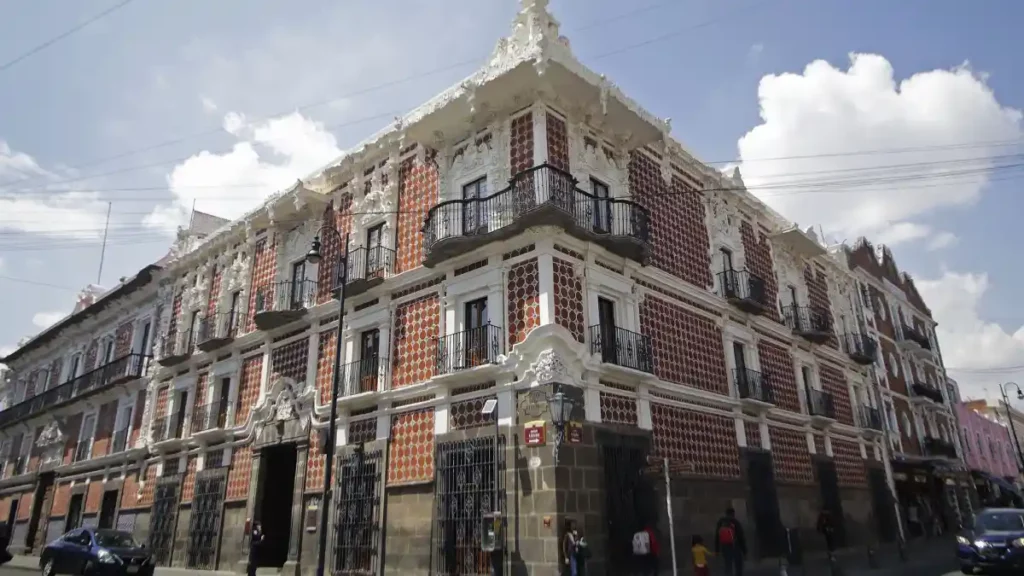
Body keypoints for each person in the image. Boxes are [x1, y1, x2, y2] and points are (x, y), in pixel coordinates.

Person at [715, 507, 747, 576]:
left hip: (725, 546)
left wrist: (717, 550)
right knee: (738, 563)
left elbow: (717, 536)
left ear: (726, 513)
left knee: (728, 563)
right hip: (735, 545)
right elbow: (741, 536)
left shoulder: (721, 521)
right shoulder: (735, 521)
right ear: (733, 513)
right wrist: (745, 551)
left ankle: (728, 574)